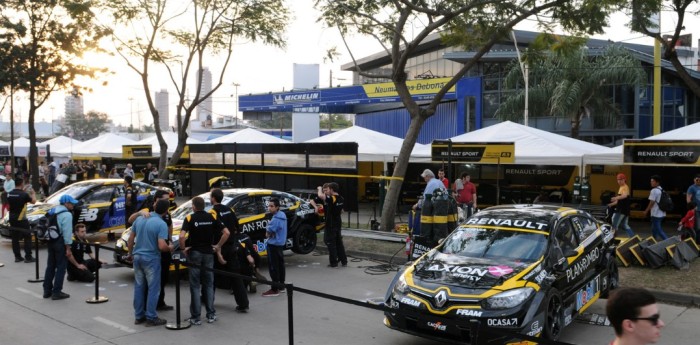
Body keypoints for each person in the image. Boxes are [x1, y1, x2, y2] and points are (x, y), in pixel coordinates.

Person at [180, 196, 230, 325]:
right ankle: (211, 315)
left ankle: (196, 317)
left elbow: (181, 236)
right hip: (209, 253)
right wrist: (218, 246)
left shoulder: (190, 218)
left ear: (194, 206)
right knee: (209, 284)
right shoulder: (212, 217)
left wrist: (183, 248)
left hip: (195, 253)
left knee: (195, 285)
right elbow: (227, 233)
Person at [127, 199, 173, 327]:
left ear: (154, 206)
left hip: (137, 257)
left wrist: (130, 254)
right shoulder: (161, 224)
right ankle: (151, 317)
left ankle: (139, 316)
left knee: (139, 287)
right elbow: (162, 246)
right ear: (166, 211)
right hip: (151, 259)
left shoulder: (140, 219)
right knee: (153, 289)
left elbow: (131, 239)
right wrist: (170, 248)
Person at [209, 188, 249, 312]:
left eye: (211, 196)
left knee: (211, 276)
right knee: (236, 276)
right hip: (232, 247)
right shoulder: (229, 209)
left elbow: (214, 231)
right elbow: (237, 226)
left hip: (219, 247)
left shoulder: (212, 212)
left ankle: (208, 299)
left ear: (213, 198)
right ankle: (243, 303)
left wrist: (217, 246)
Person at [42, 195, 79, 300]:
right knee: (61, 267)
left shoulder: (53, 210)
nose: (73, 205)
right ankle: (57, 292)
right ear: (66, 203)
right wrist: (68, 248)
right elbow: (67, 234)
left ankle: (47, 291)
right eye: (71, 203)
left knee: (50, 266)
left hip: (51, 240)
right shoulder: (67, 214)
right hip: (60, 242)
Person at [7, 177, 37, 263]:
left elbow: (17, 195)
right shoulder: (24, 195)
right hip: (21, 218)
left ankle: (17, 257)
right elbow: (34, 201)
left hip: (12, 218)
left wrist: (23, 190)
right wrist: (33, 193)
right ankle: (28, 257)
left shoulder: (9, 194)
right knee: (27, 236)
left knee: (15, 238)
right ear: (22, 184)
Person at [262, 197, 287, 297]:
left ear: (277, 207)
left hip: (273, 245)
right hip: (280, 244)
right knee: (280, 265)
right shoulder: (282, 215)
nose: (269, 208)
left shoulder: (276, 219)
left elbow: (267, 234)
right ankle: (281, 286)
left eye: (272, 206)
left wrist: (268, 230)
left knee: (273, 267)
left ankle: (274, 289)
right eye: (269, 205)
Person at [318, 182, 347, 268]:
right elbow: (341, 211)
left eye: (328, 189)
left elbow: (321, 196)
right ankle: (343, 261)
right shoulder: (341, 198)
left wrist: (319, 189)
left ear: (332, 189)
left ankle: (334, 263)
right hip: (338, 222)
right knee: (339, 243)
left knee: (330, 242)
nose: (326, 191)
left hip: (331, 224)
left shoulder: (333, 198)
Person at [609, 173, 635, 237]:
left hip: (621, 210)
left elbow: (624, 196)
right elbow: (619, 200)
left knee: (614, 223)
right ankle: (632, 237)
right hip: (625, 210)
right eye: (618, 180)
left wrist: (615, 198)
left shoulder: (625, 187)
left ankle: (614, 238)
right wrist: (611, 204)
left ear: (624, 180)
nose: (619, 181)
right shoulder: (621, 187)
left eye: (621, 180)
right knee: (624, 225)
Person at [644, 175, 668, 241]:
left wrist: (646, 210)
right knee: (654, 229)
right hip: (662, 213)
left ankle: (669, 242)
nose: (651, 182)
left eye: (653, 181)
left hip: (656, 213)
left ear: (657, 182)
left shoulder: (654, 190)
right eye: (651, 181)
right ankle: (653, 241)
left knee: (658, 230)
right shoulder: (661, 189)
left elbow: (652, 202)